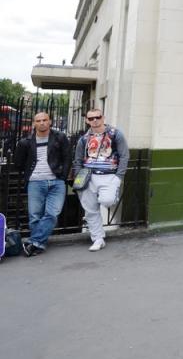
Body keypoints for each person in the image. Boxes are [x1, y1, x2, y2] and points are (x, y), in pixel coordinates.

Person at [72, 108, 130, 252]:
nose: (95, 120)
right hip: (88, 176)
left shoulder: (115, 134)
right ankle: (98, 239)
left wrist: (119, 177)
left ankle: (111, 195)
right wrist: (79, 177)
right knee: (91, 210)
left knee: (107, 200)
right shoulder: (84, 139)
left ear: (103, 118)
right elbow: (78, 159)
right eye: (91, 118)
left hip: (109, 175)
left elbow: (124, 156)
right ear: (87, 121)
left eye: (97, 117)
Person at [14, 112, 71, 256]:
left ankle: (34, 242)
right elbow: (18, 163)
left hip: (56, 181)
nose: (42, 123)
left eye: (45, 120)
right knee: (35, 216)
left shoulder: (60, 137)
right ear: (34, 123)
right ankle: (37, 245)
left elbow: (67, 158)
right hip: (35, 182)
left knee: (52, 213)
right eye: (38, 120)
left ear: (50, 121)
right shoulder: (25, 142)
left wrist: (62, 177)